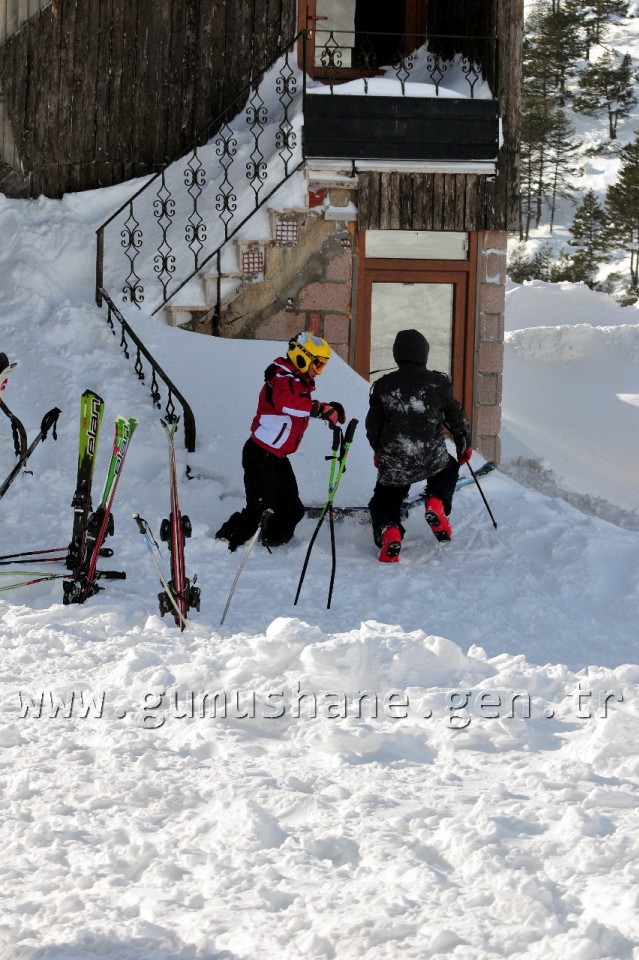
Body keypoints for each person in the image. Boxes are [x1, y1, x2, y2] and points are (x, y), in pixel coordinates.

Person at [215, 331, 346, 551]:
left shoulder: (298, 381)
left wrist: (328, 408)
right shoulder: (280, 377)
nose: (319, 371)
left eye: (323, 365)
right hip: (261, 455)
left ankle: (270, 544)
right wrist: (318, 409)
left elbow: (298, 406)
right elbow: (286, 403)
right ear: (301, 357)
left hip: (277, 457)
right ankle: (224, 544)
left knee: (291, 509)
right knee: (258, 510)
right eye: (318, 364)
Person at [365, 329, 472, 563]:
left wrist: (378, 451)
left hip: (396, 458)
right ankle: (436, 502)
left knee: (384, 499)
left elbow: (373, 426)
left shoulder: (383, 386)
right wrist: (464, 444)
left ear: (397, 355)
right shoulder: (439, 382)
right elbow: (457, 417)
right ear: (424, 354)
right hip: (431, 456)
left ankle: (389, 530)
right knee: (448, 469)